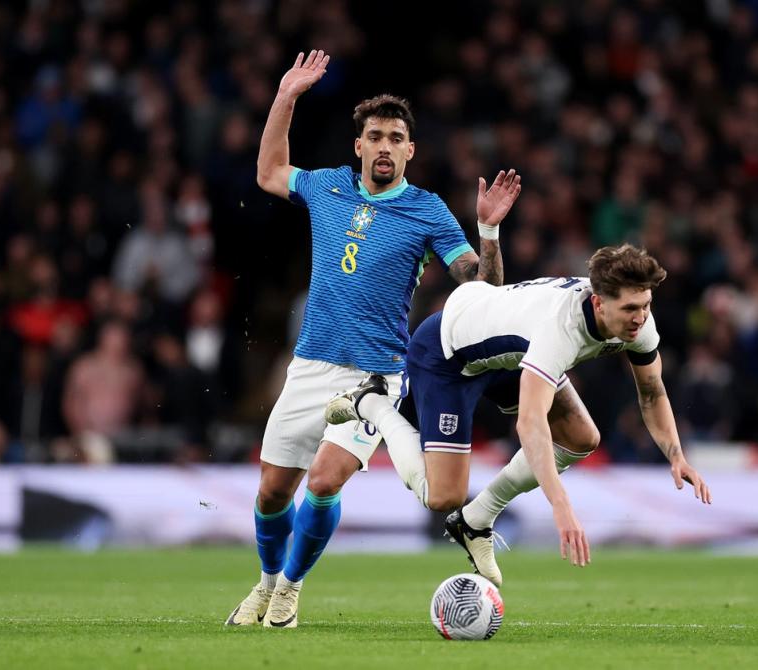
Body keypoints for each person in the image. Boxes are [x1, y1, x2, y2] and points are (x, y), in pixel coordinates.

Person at [225, 50, 521, 628]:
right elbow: (267, 173)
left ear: (411, 150)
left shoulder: (427, 210)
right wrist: (286, 96)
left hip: (375, 377)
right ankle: (263, 585)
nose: (385, 146)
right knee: (269, 494)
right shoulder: (327, 187)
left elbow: (483, 290)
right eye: (375, 136)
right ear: (358, 145)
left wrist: (487, 230)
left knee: (326, 478)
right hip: (309, 364)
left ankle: (289, 587)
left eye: (396, 138)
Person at [326, 244, 711, 586]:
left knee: (582, 438)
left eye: (645, 306)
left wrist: (676, 455)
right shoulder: (559, 329)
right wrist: (561, 504)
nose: (640, 318)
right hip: (449, 354)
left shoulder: (637, 322)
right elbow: (529, 423)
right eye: (630, 308)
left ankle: (475, 519)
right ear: (598, 302)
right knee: (442, 496)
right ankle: (372, 402)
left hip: (509, 353)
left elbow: (652, 391)